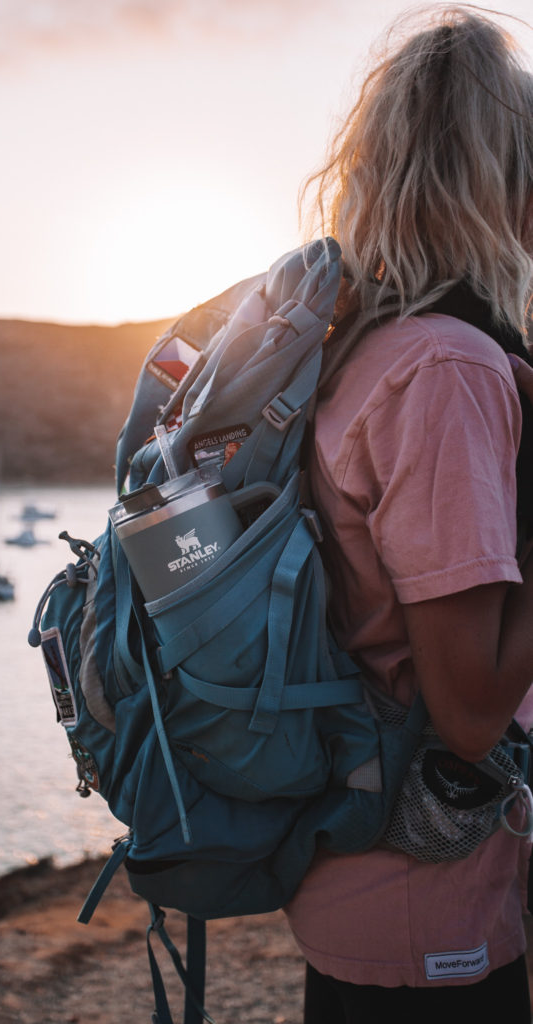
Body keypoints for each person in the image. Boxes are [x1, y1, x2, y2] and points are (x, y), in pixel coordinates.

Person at [283, 6, 533, 1022]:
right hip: (430, 908)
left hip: (359, 878)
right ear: (498, 179)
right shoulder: (445, 370)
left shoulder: (357, 348)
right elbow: (469, 709)